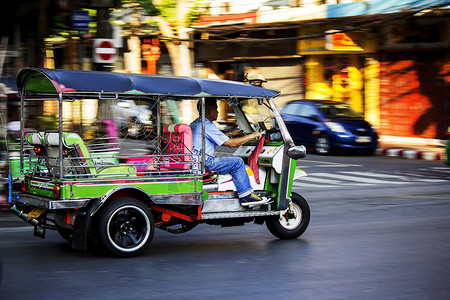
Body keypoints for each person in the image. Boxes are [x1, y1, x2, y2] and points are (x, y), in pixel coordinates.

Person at [190, 98, 268, 207]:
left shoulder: (196, 123)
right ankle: (246, 196)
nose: (218, 112)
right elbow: (232, 144)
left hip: (196, 162)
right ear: (209, 111)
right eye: (216, 109)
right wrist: (253, 135)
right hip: (206, 163)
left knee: (231, 160)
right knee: (237, 162)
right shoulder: (207, 126)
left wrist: (232, 133)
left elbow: (217, 138)